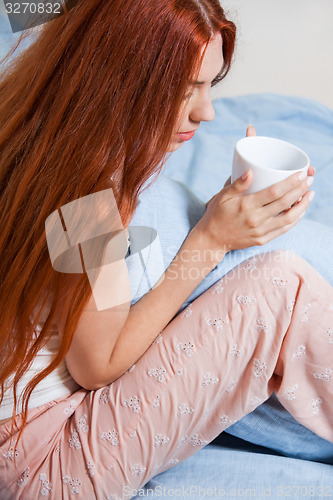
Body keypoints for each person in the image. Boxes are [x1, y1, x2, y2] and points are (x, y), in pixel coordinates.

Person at [0, 0, 331, 498]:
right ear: (119, 77)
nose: (206, 112)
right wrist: (211, 239)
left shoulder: (29, 120)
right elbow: (99, 365)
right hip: (45, 461)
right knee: (283, 287)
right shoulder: (85, 193)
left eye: (209, 84)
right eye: (183, 90)